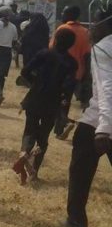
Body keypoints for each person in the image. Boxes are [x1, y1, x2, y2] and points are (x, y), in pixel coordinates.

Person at [65, 6, 112, 227]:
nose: (92, 27)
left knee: (80, 173)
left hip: (99, 123)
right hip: (102, 120)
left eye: (95, 22)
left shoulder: (103, 48)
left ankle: (76, 221)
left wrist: (104, 127)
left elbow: (106, 88)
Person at [12, 29, 77, 184]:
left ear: (55, 39)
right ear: (71, 44)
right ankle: (34, 171)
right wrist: (63, 101)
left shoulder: (44, 53)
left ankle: (24, 152)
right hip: (53, 102)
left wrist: (35, 82)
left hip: (35, 97)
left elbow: (25, 71)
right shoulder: (72, 63)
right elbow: (68, 86)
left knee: (30, 129)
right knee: (43, 136)